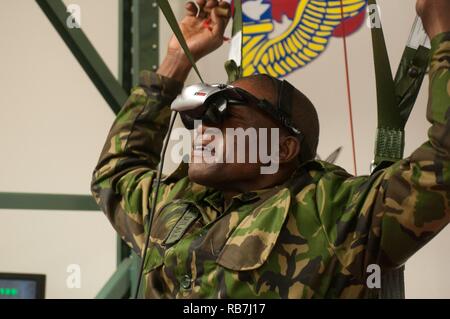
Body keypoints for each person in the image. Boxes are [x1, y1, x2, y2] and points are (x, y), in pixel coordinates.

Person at [91, 0, 450, 298]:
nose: (203, 130)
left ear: (283, 148)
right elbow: (114, 173)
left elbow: (444, 163)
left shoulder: (335, 211)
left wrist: (442, 29)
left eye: (224, 112)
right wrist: (177, 59)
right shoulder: (174, 203)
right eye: (199, 117)